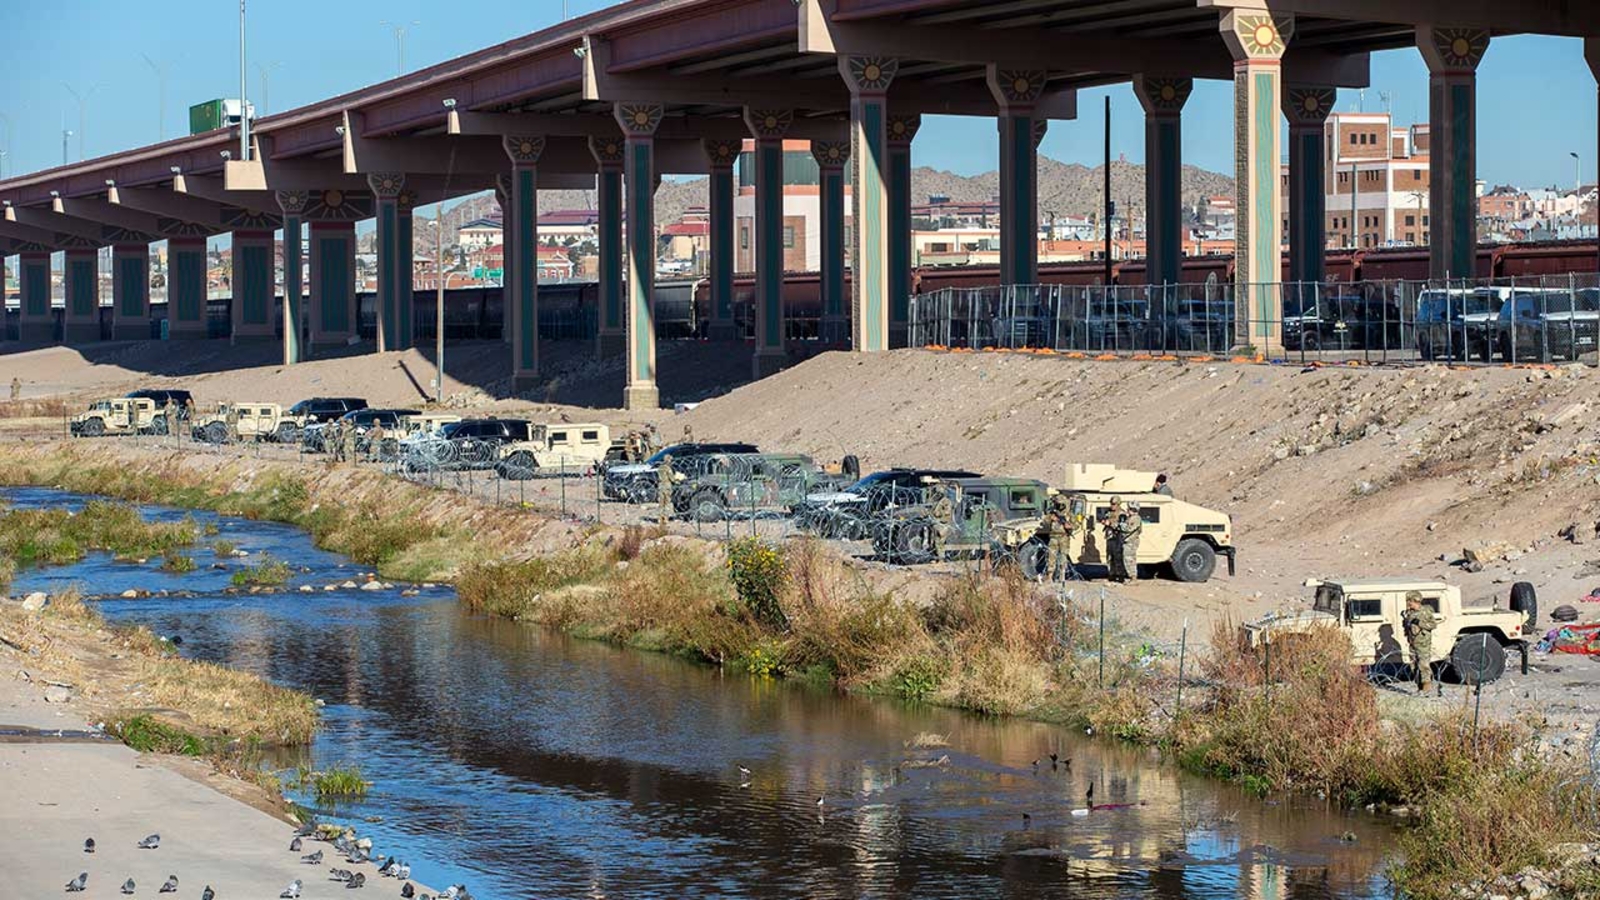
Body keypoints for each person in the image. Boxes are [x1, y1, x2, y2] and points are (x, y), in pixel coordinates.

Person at [1402, 591, 1438, 694]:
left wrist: (1420, 623)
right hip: (1413, 643)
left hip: (1423, 643)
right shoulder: (1410, 613)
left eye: (1410, 601)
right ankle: (1419, 687)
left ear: (1416, 601)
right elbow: (1407, 627)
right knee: (1414, 666)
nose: (1408, 603)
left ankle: (1426, 688)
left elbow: (1433, 625)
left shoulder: (1425, 612)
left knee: (1423, 665)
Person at [1039, 490, 1078, 583]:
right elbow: (1044, 521)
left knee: (1063, 557)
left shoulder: (1069, 515)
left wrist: (1070, 526)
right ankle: (1050, 576)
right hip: (1053, 537)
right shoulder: (1053, 513)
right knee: (1051, 557)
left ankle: (1062, 576)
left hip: (1064, 537)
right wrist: (1051, 518)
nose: (1059, 506)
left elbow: (1076, 524)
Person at [926, 478, 953, 562]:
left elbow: (947, 513)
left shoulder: (946, 502)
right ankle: (935, 557)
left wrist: (938, 514)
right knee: (933, 542)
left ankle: (941, 559)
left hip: (943, 524)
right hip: (936, 524)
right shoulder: (937, 501)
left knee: (940, 543)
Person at [1115, 502, 1143, 583]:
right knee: (1127, 559)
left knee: (1129, 559)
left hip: (1131, 542)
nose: (1127, 510)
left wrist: (1121, 525)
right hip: (1127, 541)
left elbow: (1129, 529)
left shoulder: (1136, 518)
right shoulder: (1130, 518)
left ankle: (1133, 578)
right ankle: (1130, 577)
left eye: (1129, 509)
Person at [656, 453, 677, 523]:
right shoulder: (668, 468)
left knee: (661, 503)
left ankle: (659, 518)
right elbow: (672, 478)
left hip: (660, 485)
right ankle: (666, 518)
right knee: (667, 502)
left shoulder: (660, 468)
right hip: (667, 485)